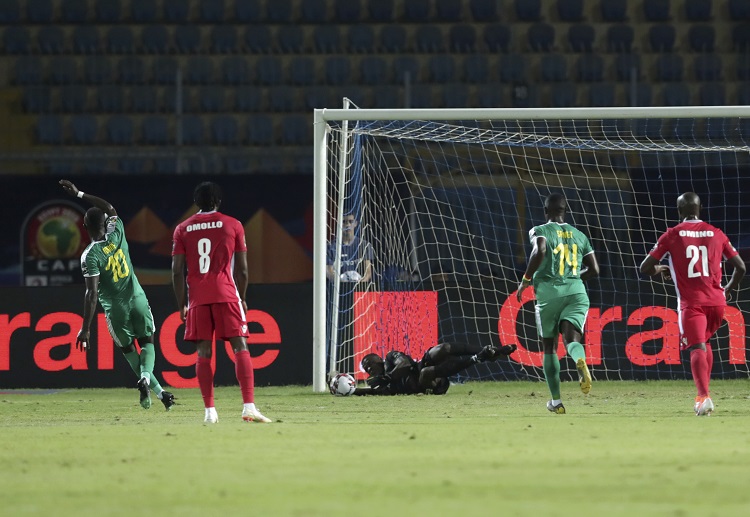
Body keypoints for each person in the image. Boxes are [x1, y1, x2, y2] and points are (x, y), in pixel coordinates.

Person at [59, 180, 175, 411]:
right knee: (148, 342)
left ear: (85, 226)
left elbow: (91, 294)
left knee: (129, 350)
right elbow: (110, 207)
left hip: (116, 309)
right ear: (106, 223)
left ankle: (154, 389)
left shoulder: (89, 256)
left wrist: (86, 327)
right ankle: (155, 388)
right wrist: (80, 193)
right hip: (138, 298)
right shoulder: (117, 232)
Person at [171, 181, 271, 424]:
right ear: (218, 201)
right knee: (240, 346)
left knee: (203, 352)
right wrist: (243, 298)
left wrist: (181, 304)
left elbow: (176, 271)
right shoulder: (233, 224)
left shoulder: (182, 229)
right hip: (226, 293)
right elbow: (243, 271)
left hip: (197, 296)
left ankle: (210, 412)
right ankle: (248, 407)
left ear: (196, 203)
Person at [640, 192, 745, 416]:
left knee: (696, 347)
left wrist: (660, 270)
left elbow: (645, 268)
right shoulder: (717, 233)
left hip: (692, 303)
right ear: (700, 209)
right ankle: (704, 396)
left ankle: (703, 396)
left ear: (679, 211)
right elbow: (741, 267)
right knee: (704, 343)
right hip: (717, 302)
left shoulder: (672, 235)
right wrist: (729, 288)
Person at [516, 192, 599, 415]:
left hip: (548, 295)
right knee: (572, 340)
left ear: (546, 212)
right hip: (576, 293)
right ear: (566, 211)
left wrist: (525, 280)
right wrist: (573, 279)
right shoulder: (580, 235)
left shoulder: (539, 230)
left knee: (549, 347)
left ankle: (556, 401)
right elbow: (595, 269)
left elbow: (540, 250)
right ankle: (580, 359)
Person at [357, 342, 517, 396]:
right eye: (365, 368)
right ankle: (478, 358)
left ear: (378, 358)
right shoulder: (379, 384)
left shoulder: (391, 358)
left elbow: (405, 364)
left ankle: (490, 352)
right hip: (430, 385)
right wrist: (350, 391)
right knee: (426, 373)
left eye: (368, 362)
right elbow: (369, 392)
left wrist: (389, 377)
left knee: (441, 349)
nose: (368, 367)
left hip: (420, 369)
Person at [326, 213, 373, 284]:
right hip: (337, 289)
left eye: (350, 221)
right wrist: (341, 282)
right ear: (339, 223)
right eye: (344, 222)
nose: (347, 225)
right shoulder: (330, 247)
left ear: (355, 223)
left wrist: (361, 283)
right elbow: (329, 272)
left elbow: (368, 272)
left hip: (359, 289)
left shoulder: (364, 245)